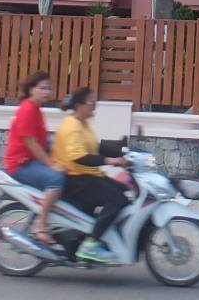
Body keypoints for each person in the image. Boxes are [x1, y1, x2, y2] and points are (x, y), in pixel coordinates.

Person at [51, 85, 128, 264]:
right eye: (91, 102)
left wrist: (123, 153)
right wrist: (110, 161)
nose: (94, 106)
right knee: (117, 199)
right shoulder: (72, 126)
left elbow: (95, 147)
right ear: (79, 106)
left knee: (124, 190)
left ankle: (92, 237)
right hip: (75, 179)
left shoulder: (83, 123)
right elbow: (79, 157)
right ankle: (91, 245)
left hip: (87, 176)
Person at [3, 71, 63, 244]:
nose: (46, 92)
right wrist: (51, 165)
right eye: (42, 88)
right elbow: (31, 143)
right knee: (57, 178)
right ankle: (40, 223)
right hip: (20, 164)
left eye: (48, 88)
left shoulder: (36, 110)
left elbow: (43, 141)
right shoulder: (28, 109)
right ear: (31, 89)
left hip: (30, 161)